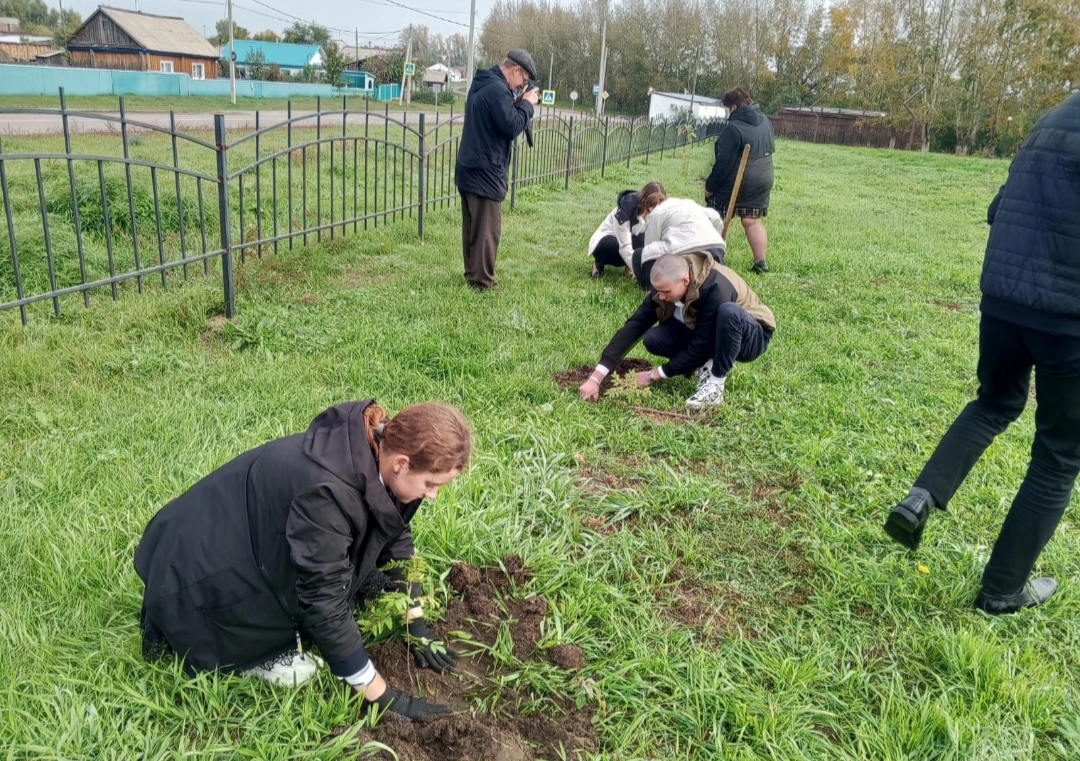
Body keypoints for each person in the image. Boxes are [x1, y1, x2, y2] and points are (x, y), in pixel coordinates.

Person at [135, 399, 472, 720]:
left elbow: (395, 531)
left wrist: (415, 621)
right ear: (401, 463)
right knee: (317, 612)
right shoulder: (328, 493)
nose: (432, 494)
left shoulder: (373, 447)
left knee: (348, 580)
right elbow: (324, 602)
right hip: (198, 581)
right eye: (430, 483)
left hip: (240, 530)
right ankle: (259, 656)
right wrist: (380, 694)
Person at [883, 91, 1080, 615]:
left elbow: (999, 207)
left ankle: (920, 496)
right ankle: (1002, 589)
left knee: (993, 403)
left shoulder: (1052, 114)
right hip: (1068, 318)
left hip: (1002, 301)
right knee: (1059, 456)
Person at [579, 252, 775, 407]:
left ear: (685, 281)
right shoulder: (665, 286)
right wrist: (596, 377)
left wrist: (653, 374)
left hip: (751, 335)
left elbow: (703, 343)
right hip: (707, 331)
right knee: (654, 338)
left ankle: (715, 384)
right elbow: (634, 326)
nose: (661, 297)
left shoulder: (716, 287)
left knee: (728, 312)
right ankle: (705, 364)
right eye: (658, 291)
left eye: (666, 292)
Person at [455, 49, 540, 290]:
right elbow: (511, 125)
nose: (521, 85)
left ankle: (473, 274)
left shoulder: (483, 82)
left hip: (468, 166)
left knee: (473, 227)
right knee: (488, 230)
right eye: (523, 80)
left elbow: (498, 117)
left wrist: (516, 101)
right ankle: (483, 282)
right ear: (516, 70)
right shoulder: (497, 89)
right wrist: (527, 104)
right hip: (485, 170)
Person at [705, 87, 775, 274]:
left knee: (715, 214)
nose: (727, 113)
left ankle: (712, 257)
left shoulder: (733, 127)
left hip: (741, 178)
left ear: (734, 106)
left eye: (728, 108)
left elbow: (724, 162)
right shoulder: (764, 121)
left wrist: (710, 186)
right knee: (752, 220)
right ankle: (760, 262)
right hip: (765, 175)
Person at [632, 181, 726, 290]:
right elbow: (715, 217)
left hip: (684, 250)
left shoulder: (655, 214)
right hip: (716, 246)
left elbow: (650, 247)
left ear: (649, 208)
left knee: (640, 254)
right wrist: (716, 236)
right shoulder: (688, 203)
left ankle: (648, 287)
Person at [587, 188, 645, 278]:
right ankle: (598, 266)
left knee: (644, 239)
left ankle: (629, 267)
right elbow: (624, 246)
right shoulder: (623, 214)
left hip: (627, 243)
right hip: (610, 241)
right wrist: (641, 273)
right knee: (610, 243)